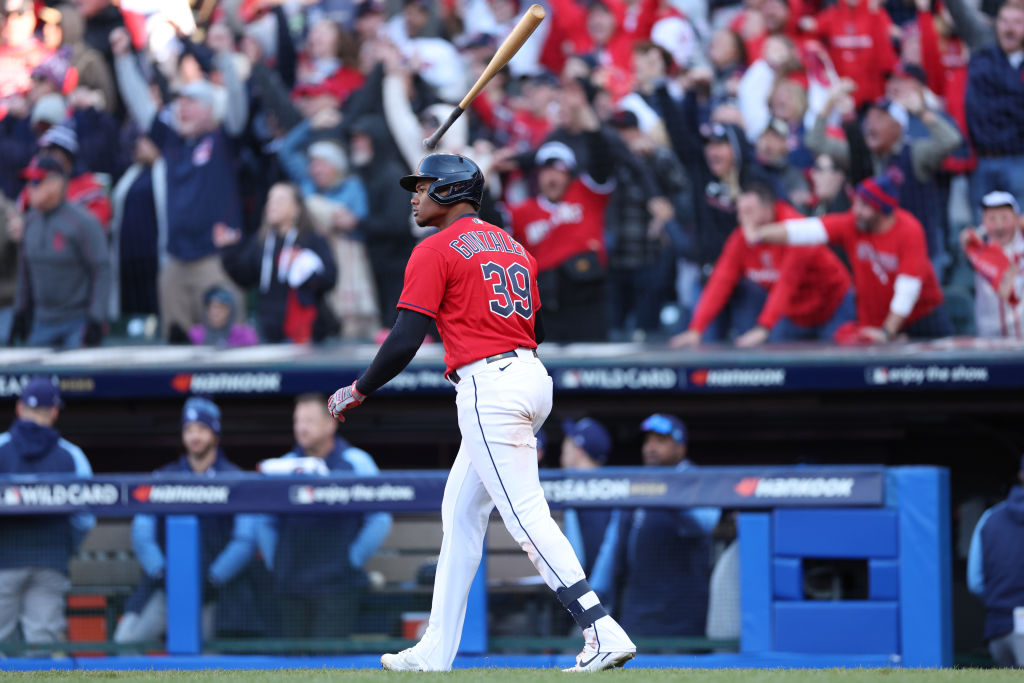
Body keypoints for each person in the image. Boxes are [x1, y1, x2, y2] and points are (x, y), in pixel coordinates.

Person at [326, 153, 636, 672]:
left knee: (524, 515)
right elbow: (535, 327)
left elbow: (406, 337)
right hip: (529, 375)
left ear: (450, 191)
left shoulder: (433, 248)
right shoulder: (514, 245)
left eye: (423, 186)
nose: (414, 196)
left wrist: (360, 388)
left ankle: (601, 628)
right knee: (461, 514)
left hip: (489, 385)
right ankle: (435, 651)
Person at [114, 397, 261, 643]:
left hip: (217, 591)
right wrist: (161, 572)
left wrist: (214, 578)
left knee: (210, 658)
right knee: (124, 642)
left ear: (215, 434)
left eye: (202, 429)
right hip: (166, 585)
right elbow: (142, 532)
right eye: (189, 429)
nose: (195, 436)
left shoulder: (235, 478)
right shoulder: (163, 476)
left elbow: (245, 539)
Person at [750, 172, 953, 342]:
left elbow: (908, 288)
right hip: (877, 324)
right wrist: (760, 234)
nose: (855, 210)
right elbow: (807, 229)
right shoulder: (853, 224)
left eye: (864, 206)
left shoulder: (909, 230)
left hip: (922, 319)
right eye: (856, 203)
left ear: (882, 209)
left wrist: (888, 332)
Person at [255, 394, 392, 639]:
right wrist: (278, 563)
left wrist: (350, 560)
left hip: (337, 584)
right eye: (298, 421)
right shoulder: (284, 466)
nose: (301, 428)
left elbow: (379, 518)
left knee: (330, 658)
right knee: (291, 659)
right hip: (290, 585)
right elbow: (264, 520)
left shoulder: (356, 462)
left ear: (330, 424)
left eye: (309, 420)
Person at [669, 181, 854, 347]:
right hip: (794, 314)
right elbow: (720, 281)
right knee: (775, 359)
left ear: (768, 209)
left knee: (837, 364)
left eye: (749, 212)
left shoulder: (796, 229)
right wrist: (696, 328)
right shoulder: (741, 237)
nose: (742, 219)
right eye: (740, 212)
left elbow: (788, 281)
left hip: (834, 306)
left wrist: (764, 327)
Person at [0, 377, 94, 645]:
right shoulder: (72, 456)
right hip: (50, 561)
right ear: (54, 412)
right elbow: (84, 519)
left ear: (20, 408)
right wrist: (65, 547)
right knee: (42, 645)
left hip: (3, 562)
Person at [614, 414, 719, 637]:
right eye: (647, 441)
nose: (650, 448)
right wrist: (599, 592)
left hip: (682, 611)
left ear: (680, 448)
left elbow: (706, 523)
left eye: (660, 441)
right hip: (639, 609)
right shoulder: (638, 483)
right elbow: (614, 546)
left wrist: (669, 492)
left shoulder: (697, 480)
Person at [9, 154, 110, 349]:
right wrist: (19, 312)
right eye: (29, 182)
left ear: (56, 184)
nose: (30, 188)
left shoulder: (82, 221)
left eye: (37, 181)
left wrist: (96, 318)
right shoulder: (30, 222)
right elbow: (24, 273)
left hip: (78, 322)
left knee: (78, 370)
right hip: (42, 322)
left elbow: (101, 268)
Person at [220, 182, 338, 344]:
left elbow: (330, 279)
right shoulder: (262, 241)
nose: (271, 205)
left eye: (280, 201)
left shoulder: (311, 239)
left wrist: (303, 269)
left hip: (306, 332)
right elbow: (244, 278)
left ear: (296, 208)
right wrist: (228, 251)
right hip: (269, 332)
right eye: (270, 200)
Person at [967, 454, 1024, 668]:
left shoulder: (989, 517)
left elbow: (975, 582)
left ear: (1021, 475)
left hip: (999, 629)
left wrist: (1002, 605)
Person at [560, 418, 620, 608]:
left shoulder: (609, 494)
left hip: (593, 602)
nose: (563, 447)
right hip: (587, 599)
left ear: (579, 450)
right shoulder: (614, 488)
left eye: (568, 442)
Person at [961, 192, 1024, 338]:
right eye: (992, 218)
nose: (999, 226)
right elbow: (966, 239)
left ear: (1016, 218)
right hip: (989, 335)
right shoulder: (978, 250)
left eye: (1005, 217)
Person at [188, 286, 259, 348]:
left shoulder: (245, 335)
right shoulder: (195, 334)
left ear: (231, 310)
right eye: (210, 307)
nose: (215, 312)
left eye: (221, 307)